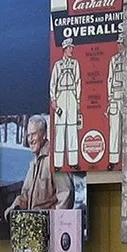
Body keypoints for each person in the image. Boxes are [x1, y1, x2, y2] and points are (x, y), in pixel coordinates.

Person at [5, 116, 74, 217]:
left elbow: (66, 195)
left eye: (33, 134)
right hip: (34, 225)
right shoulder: (33, 164)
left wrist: (55, 222)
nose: (30, 139)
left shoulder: (55, 159)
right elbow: (25, 196)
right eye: (28, 135)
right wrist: (14, 208)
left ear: (44, 135)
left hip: (49, 227)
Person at [50, 39, 81, 169]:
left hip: (72, 95)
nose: (71, 50)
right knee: (60, 129)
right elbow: (53, 82)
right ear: (64, 49)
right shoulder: (58, 65)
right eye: (69, 48)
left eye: (72, 48)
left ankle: (73, 162)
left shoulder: (75, 64)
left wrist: (78, 100)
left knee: (72, 129)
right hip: (61, 95)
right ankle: (58, 163)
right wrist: (53, 99)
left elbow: (78, 81)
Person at [106, 29, 125, 167]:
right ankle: (113, 160)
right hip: (115, 96)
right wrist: (109, 97)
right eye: (118, 43)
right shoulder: (113, 60)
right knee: (114, 129)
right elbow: (109, 79)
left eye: (121, 44)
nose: (119, 46)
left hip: (126, 97)